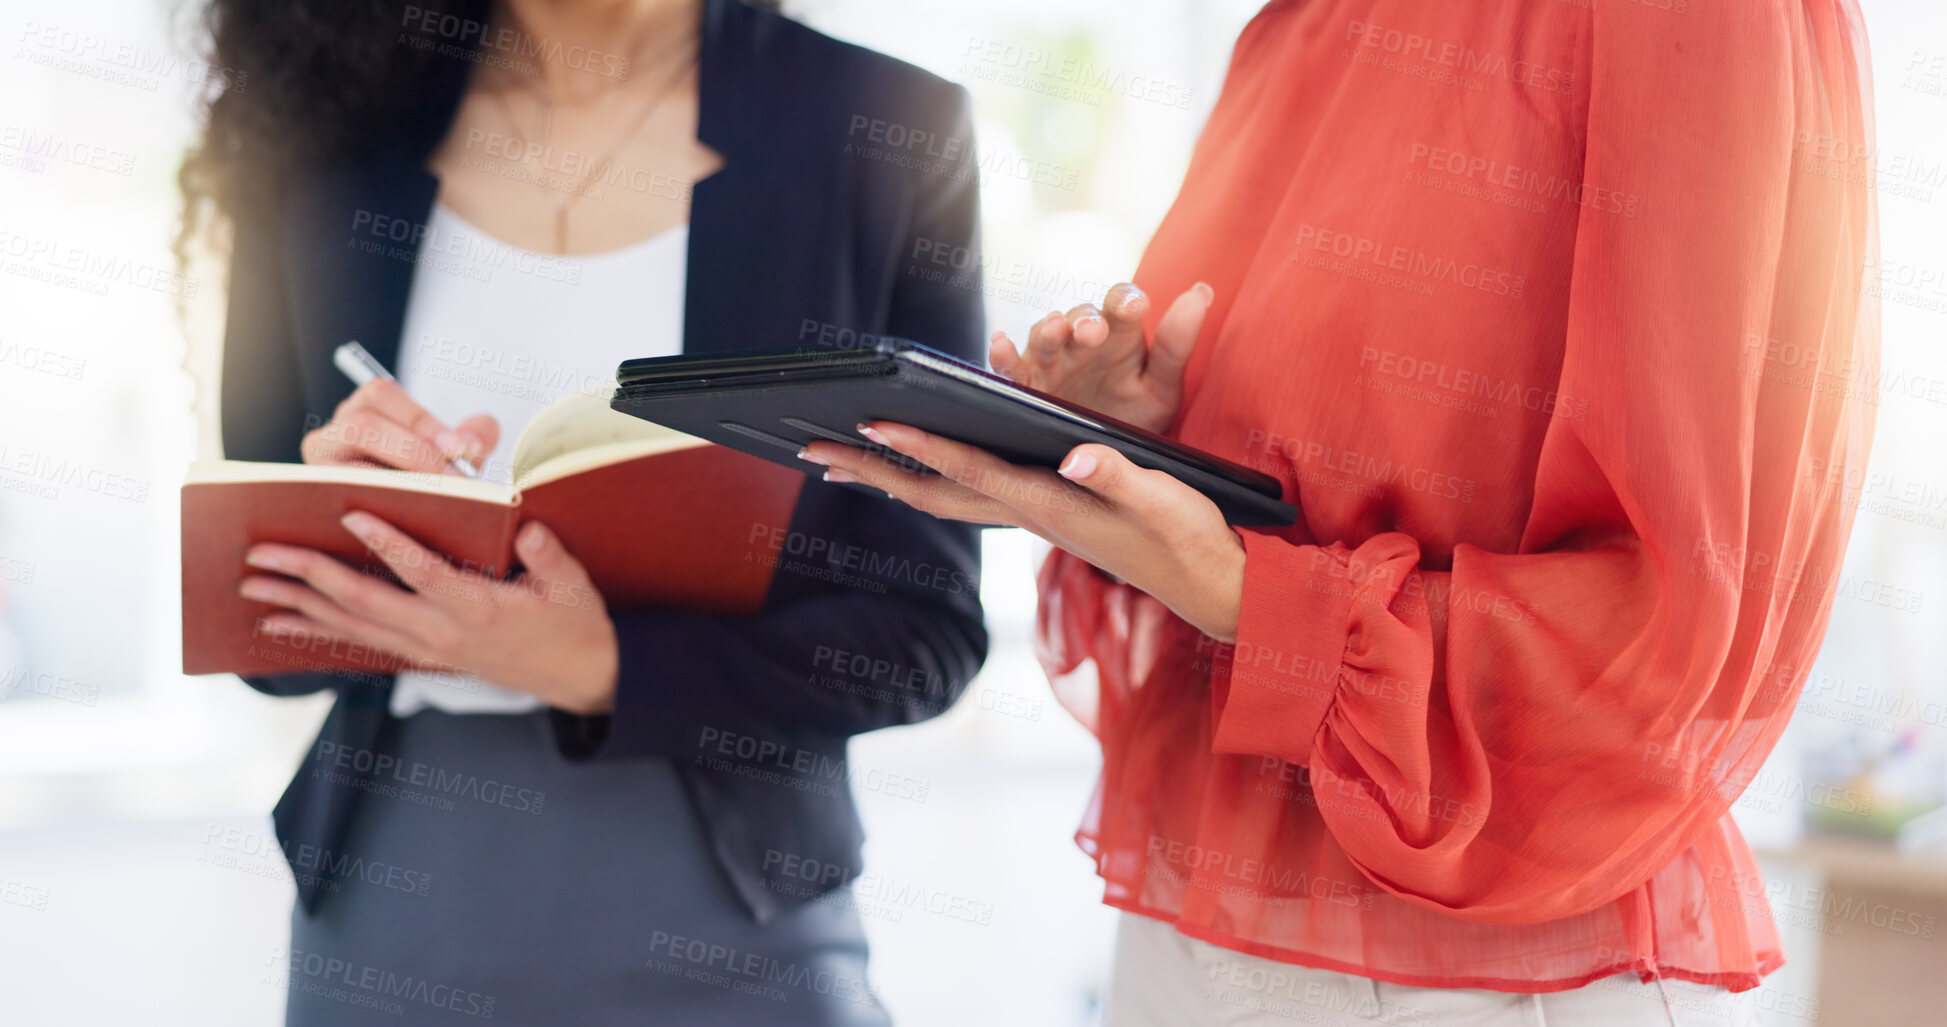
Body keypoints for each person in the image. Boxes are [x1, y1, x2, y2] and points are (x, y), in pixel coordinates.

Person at [806, 0, 1878, 1023]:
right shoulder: (1298, 24)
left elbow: (1683, 627)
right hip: (1189, 932)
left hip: (1493, 962)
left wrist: (1251, 597)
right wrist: (1134, 436)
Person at [179, 0, 987, 1022]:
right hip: (396, 894)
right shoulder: (322, 115)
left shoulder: (883, 122)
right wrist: (343, 514)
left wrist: (596, 666)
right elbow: (255, 628)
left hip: (737, 913)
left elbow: (925, 631)